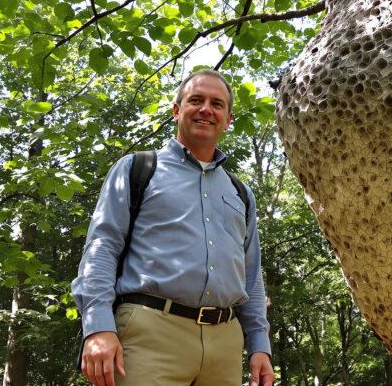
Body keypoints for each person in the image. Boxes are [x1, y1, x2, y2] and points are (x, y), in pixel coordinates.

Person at [72, 70, 274, 386]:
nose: (206, 109)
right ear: (177, 111)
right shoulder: (137, 169)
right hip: (149, 334)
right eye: (196, 100)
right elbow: (102, 248)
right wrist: (98, 327)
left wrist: (260, 345)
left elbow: (251, 275)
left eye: (217, 104)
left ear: (228, 119)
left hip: (225, 344)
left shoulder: (241, 193)